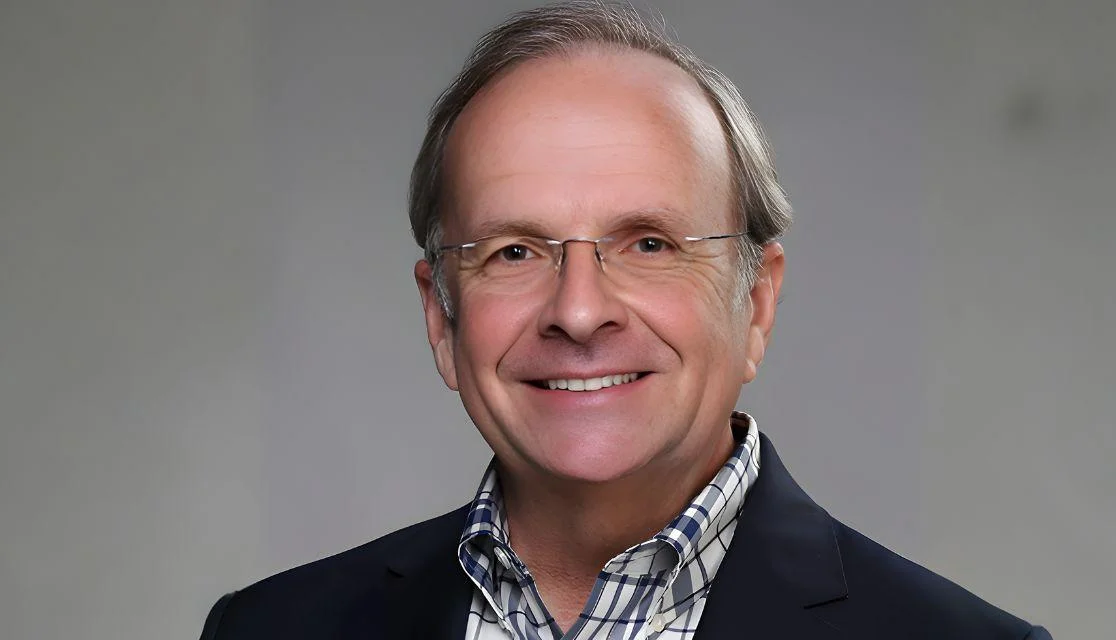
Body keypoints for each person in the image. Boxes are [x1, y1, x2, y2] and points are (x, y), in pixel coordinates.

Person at [201, 2, 1052, 638]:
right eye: (514, 251)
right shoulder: (270, 630)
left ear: (756, 303)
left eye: (648, 243)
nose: (578, 311)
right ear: (441, 318)